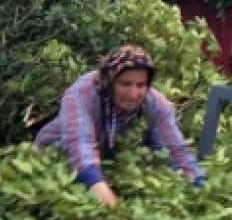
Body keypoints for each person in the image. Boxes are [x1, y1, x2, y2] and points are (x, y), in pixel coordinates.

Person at [34, 45, 204, 205]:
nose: (133, 94)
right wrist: (105, 196)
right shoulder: (82, 93)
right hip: (55, 160)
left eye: (140, 85)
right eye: (125, 84)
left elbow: (175, 152)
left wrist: (199, 189)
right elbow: (79, 146)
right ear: (109, 80)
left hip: (105, 163)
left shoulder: (155, 103)